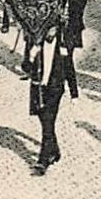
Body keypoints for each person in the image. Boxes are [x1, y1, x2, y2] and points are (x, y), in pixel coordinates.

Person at [26, 24, 76, 176]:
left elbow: (69, 68)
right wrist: (30, 57)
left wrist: (74, 93)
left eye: (53, 29)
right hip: (39, 89)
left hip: (55, 89)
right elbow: (25, 68)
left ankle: (43, 161)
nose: (49, 33)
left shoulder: (62, 46)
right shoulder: (35, 44)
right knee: (44, 121)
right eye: (47, 29)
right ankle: (54, 150)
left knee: (48, 121)